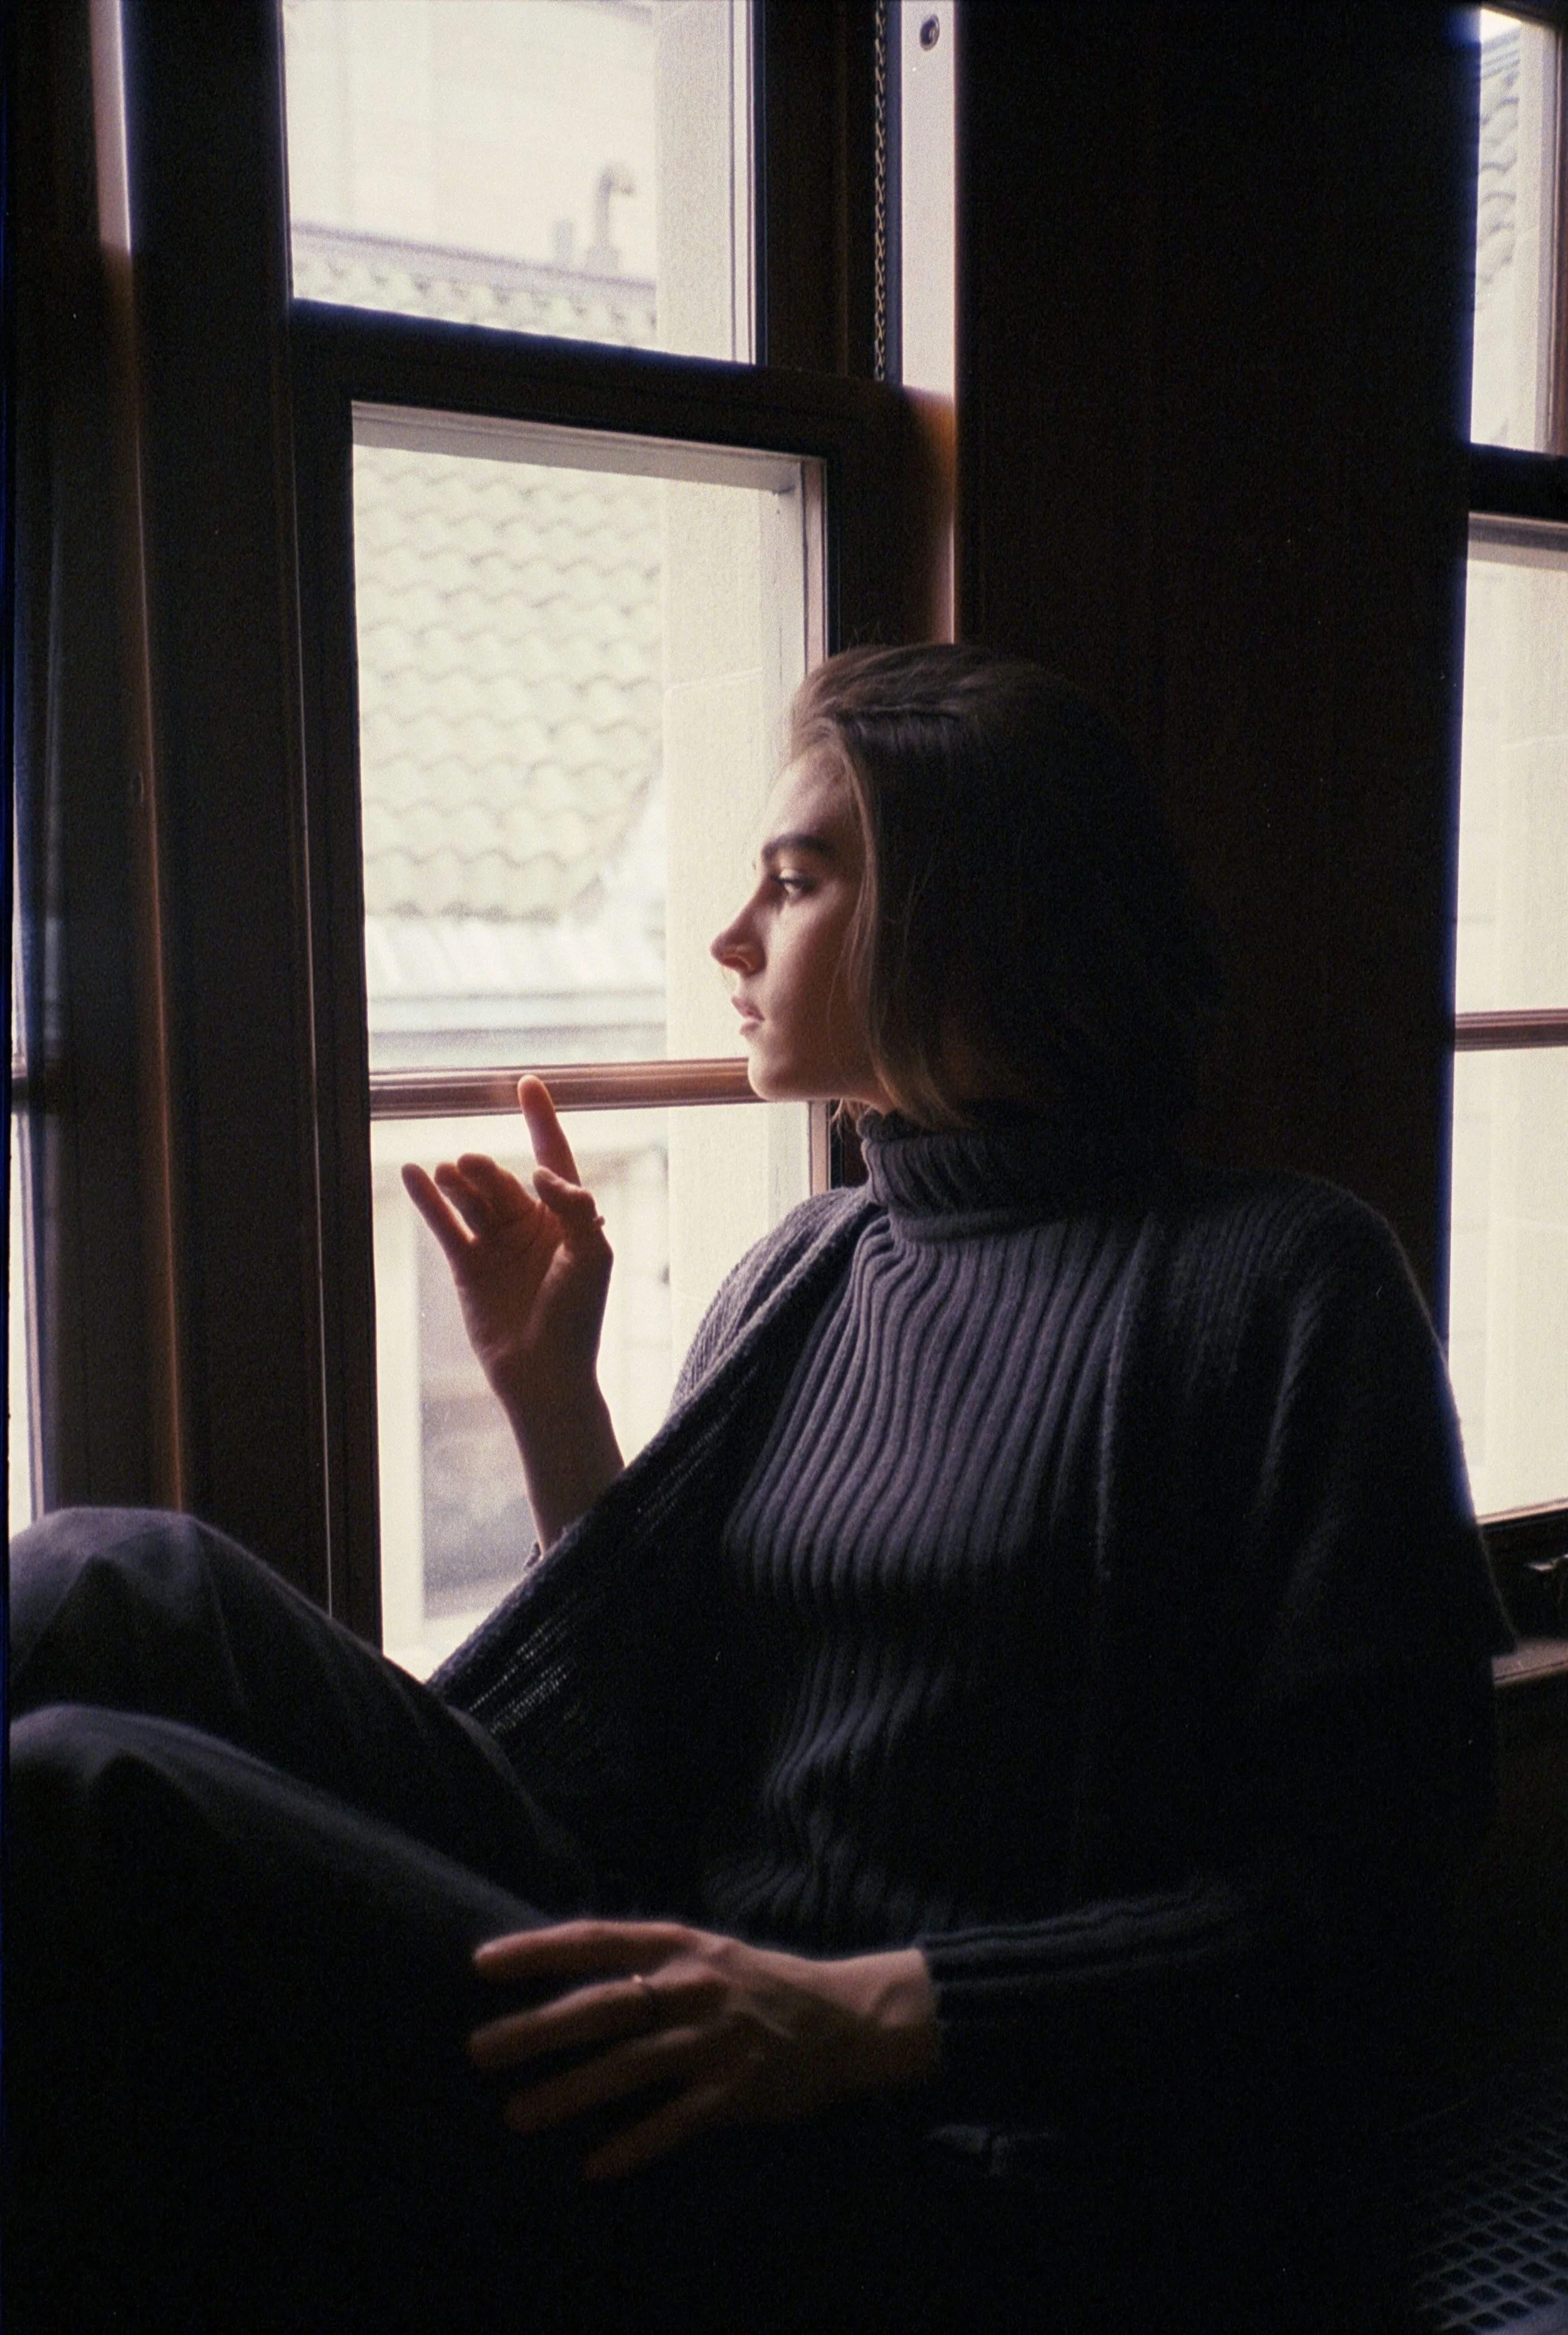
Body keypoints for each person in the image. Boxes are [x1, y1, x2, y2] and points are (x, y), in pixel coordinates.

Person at [7, 645, 1508, 2334]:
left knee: (81, 1791)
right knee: (103, 1576)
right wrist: (550, 1395)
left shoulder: (1280, 1282)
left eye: (793, 883)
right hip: (690, 1988)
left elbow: (1369, 1892)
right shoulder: (807, 1262)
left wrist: (878, 2011)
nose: (729, 940)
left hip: (936, 2145)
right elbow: (654, 1740)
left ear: (969, 913)